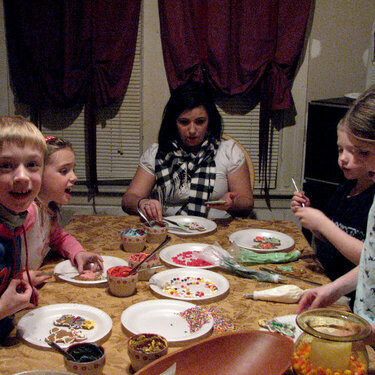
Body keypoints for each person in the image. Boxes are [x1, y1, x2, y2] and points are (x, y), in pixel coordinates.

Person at [298, 85, 375, 345]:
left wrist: (364, 333)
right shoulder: (348, 189)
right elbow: (372, 262)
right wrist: (334, 289)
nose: (351, 160)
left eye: (364, 152)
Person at [121, 81, 254, 220]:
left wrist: (232, 203)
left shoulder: (228, 151)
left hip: (217, 228)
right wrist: (142, 202)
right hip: (169, 228)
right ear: (173, 122)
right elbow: (128, 200)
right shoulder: (157, 153)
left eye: (200, 121)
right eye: (184, 122)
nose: (192, 130)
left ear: (210, 121)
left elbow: (247, 203)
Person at [291, 119, 375, 287]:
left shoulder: (371, 200)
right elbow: (332, 237)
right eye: (340, 149)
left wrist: (322, 223)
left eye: (356, 152)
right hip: (331, 281)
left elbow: (368, 259)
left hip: (355, 291)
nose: (343, 158)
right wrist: (311, 219)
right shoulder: (344, 190)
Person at [22, 136, 103, 287]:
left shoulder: (46, 209)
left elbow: (59, 238)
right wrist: (19, 278)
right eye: (64, 171)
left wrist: (78, 253)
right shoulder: (28, 212)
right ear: (38, 173)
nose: (74, 177)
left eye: (73, 170)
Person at [0, 115, 46, 341]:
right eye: (6, 166)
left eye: (31, 165)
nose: (21, 176)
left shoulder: (13, 221)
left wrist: (17, 284)